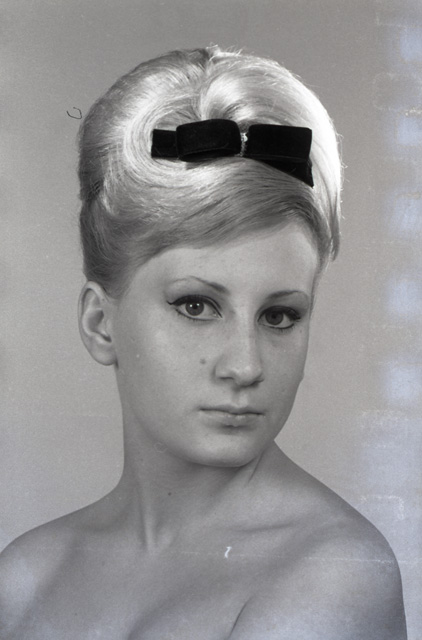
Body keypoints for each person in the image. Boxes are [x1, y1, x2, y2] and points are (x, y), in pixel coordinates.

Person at [0, 46, 407, 639]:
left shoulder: (335, 576)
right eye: (196, 306)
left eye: (280, 316)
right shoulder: (24, 578)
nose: (245, 365)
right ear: (99, 322)